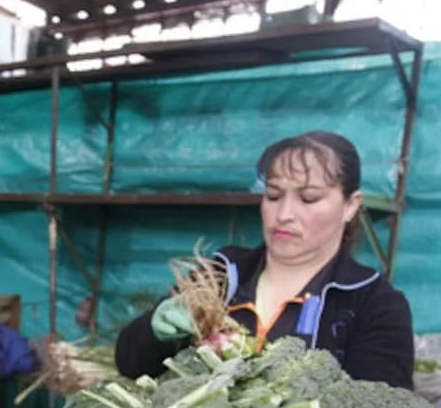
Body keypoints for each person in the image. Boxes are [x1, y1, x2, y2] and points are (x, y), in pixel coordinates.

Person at [115, 131, 414, 389]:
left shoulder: (374, 304)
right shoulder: (221, 275)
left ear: (350, 206)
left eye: (308, 198)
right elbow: (129, 363)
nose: (283, 214)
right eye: (273, 195)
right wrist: (153, 331)